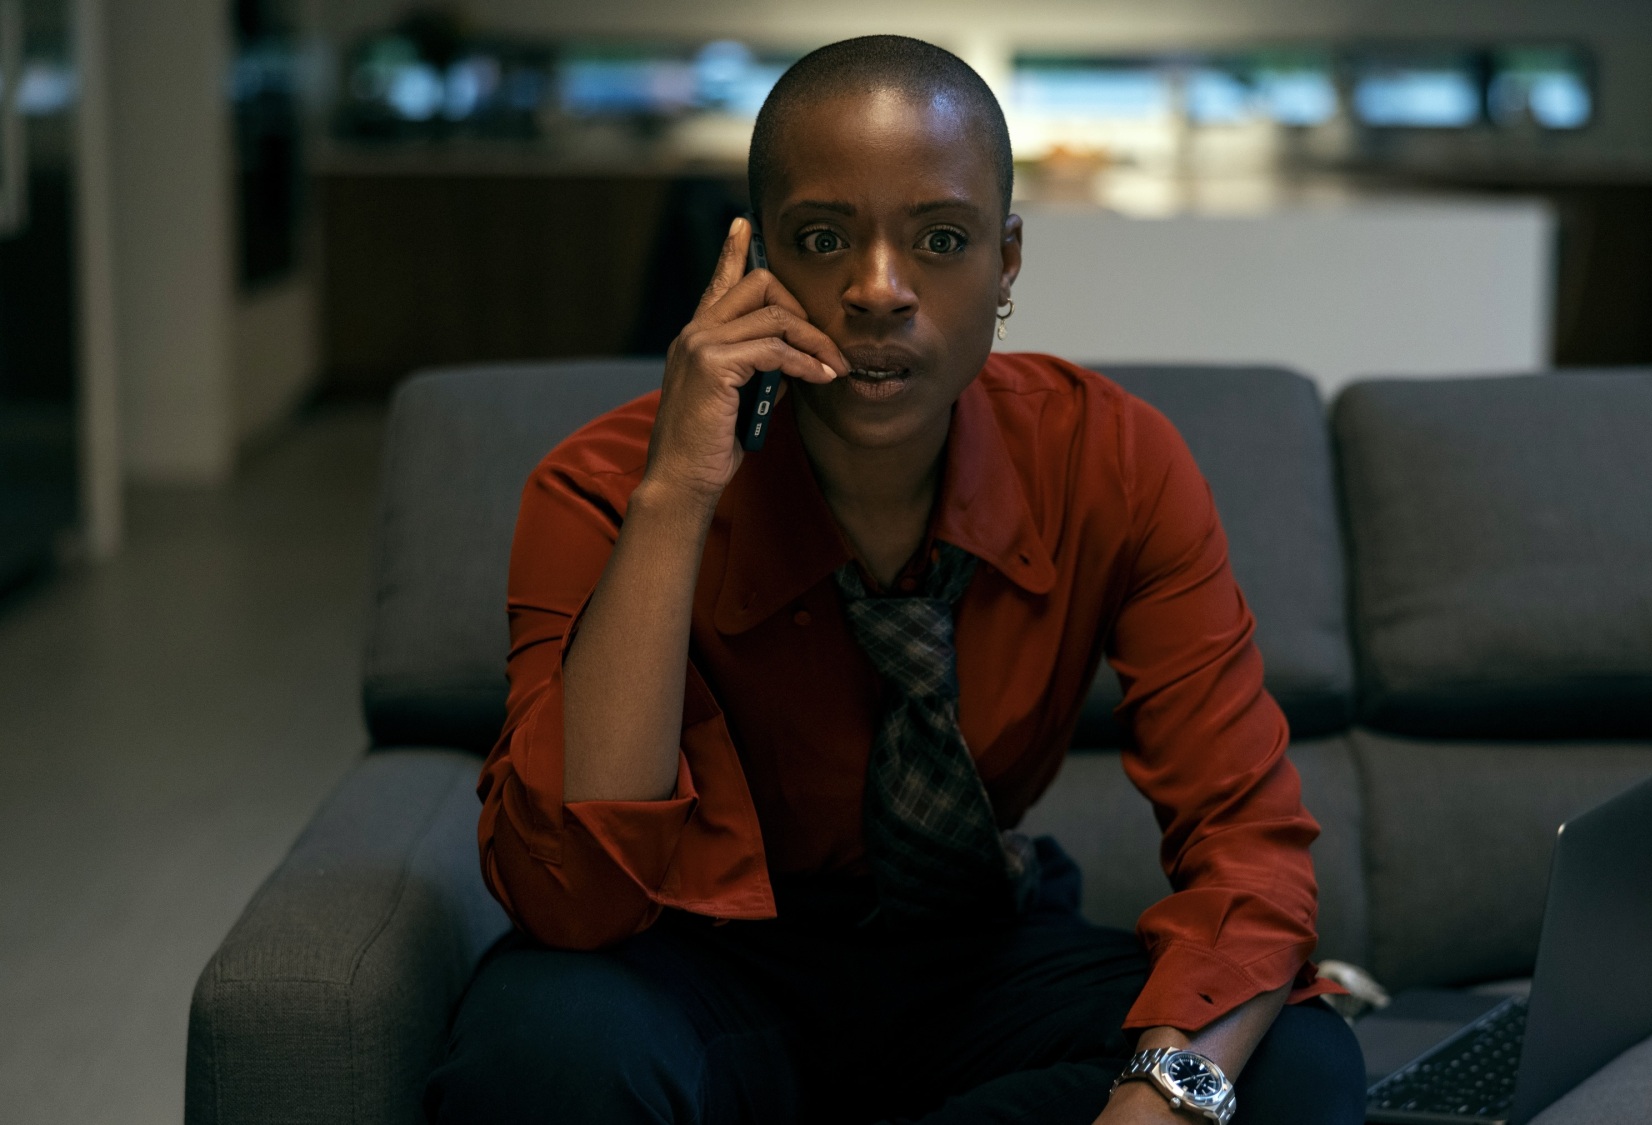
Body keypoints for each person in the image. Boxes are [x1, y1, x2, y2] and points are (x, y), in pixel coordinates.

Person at [425, 34, 1366, 1125]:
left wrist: (1158, 1103)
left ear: (1005, 261)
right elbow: (572, 899)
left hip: (976, 963)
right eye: (823, 239)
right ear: (757, 262)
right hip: (702, 964)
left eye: (941, 239)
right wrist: (678, 494)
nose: (877, 291)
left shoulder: (1109, 462)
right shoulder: (600, 486)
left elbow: (1246, 854)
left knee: (1293, 1067)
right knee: (542, 1050)